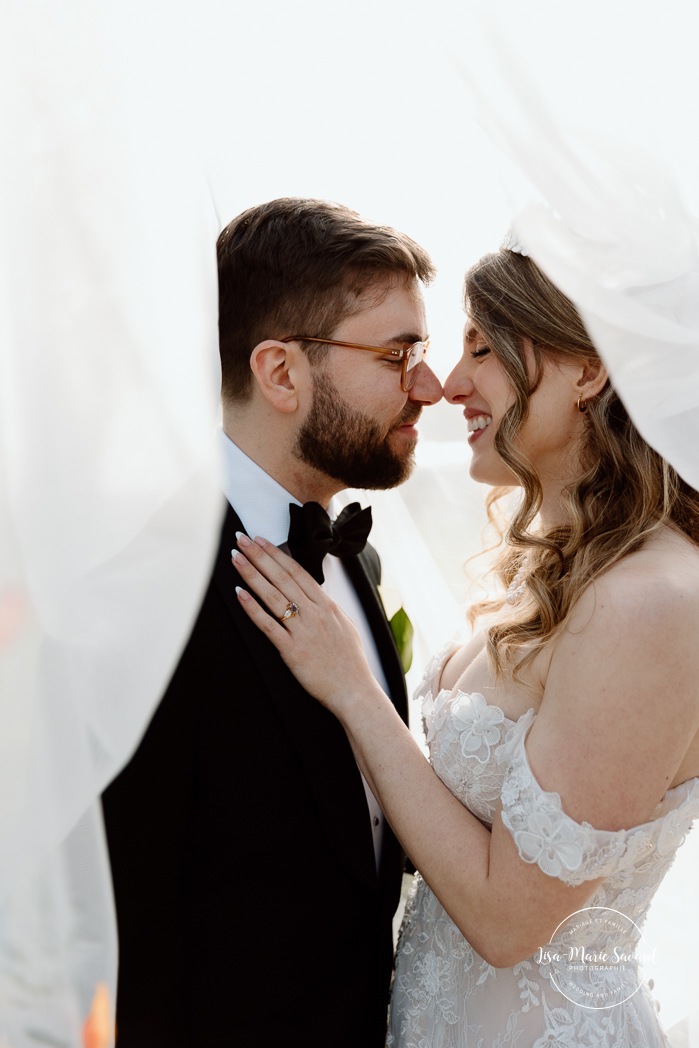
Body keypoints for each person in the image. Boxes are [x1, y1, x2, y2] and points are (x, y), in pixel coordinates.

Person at [231, 243, 699, 1047]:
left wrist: (352, 690)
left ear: (587, 372)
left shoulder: (647, 602)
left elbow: (507, 922)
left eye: (482, 349)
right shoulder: (554, 569)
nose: (448, 384)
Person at [101, 197, 442, 1047]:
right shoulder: (146, 590)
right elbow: (130, 925)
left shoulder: (356, 561)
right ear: (281, 373)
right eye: (397, 354)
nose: (429, 387)